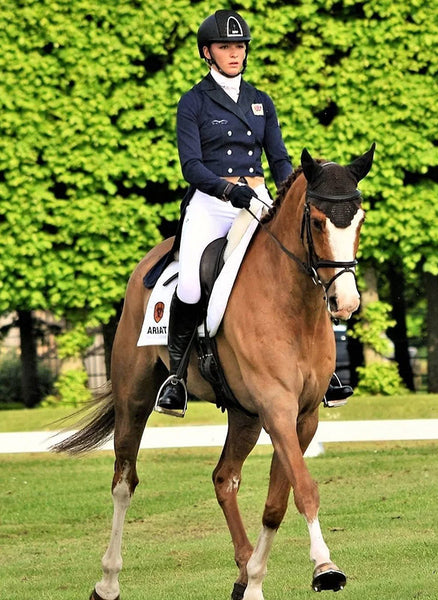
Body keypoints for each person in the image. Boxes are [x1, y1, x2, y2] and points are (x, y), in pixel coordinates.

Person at [155, 9, 352, 417]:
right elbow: (191, 166)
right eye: (225, 47)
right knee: (190, 284)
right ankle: (175, 377)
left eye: (239, 46)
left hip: (259, 199)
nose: (234, 53)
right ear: (207, 53)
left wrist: (288, 195)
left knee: (302, 263)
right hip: (210, 204)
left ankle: (323, 370)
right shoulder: (192, 102)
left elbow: (279, 158)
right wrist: (229, 191)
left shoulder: (261, 101)